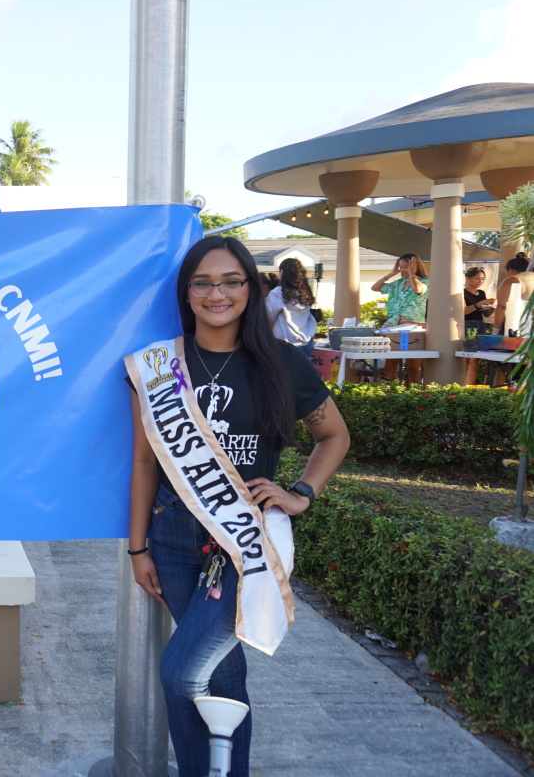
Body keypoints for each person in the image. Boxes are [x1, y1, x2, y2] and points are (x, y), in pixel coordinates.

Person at [126, 235, 349, 777]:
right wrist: (137, 548)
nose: (216, 294)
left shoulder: (282, 363)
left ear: (250, 287)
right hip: (173, 537)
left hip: (246, 540)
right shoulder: (157, 366)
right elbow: (146, 463)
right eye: (202, 283)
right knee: (221, 674)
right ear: (186, 293)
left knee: (182, 672)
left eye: (230, 281)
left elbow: (334, 436)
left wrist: (301, 495)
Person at [371, 253, 428, 384]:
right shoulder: (398, 283)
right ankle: (393, 391)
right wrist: (392, 273)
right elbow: (375, 288)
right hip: (395, 328)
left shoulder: (425, 282)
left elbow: (418, 289)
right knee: (389, 367)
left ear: (415, 266)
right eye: (401, 267)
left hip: (414, 330)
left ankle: (414, 394)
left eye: (406, 267)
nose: (403, 270)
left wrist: (412, 274)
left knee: (412, 368)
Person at [266, 257, 318, 355]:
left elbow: (268, 318)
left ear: (282, 272)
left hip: (284, 344)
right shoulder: (306, 292)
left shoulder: (277, 293)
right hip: (307, 343)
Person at [463, 267, 497, 385]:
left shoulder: (481, 293)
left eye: (482, 279)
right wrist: (481, 303)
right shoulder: (463, 293)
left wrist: (491, 307)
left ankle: (469, 385)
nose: (480, 281)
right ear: (468, 278)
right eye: (477, 278)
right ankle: (465, 385)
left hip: (480, 324)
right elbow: (463, 311)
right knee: (468, 357)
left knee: (476, 357)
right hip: (468, 325)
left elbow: (485, 313)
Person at [491, 253, 530, 336]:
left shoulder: (512, 280)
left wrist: (495, 331)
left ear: (511, 270)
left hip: (516, 327)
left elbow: (502, 306)